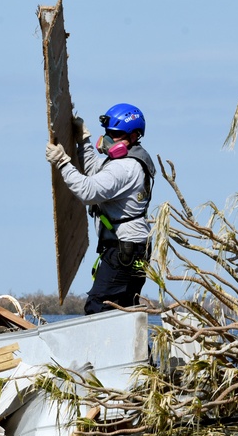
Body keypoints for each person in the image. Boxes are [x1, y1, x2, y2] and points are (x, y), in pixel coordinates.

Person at [45, 103, 155, 315]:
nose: (108, 138)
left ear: (133, 137)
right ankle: (139, 349)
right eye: (107, 133)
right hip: (133, 247)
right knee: (125, 310)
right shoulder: (128, 162)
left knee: (99, 307)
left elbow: (88, 190)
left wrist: (62, 163)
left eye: (115, 134)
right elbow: (96, 171)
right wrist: (83, 140)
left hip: (123, 249)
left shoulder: (125, 167)